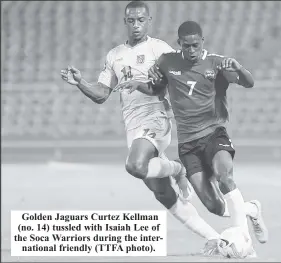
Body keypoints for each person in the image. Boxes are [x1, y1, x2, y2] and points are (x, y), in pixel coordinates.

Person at [60, 1, 236, 255]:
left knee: (135, 166)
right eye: (131, 20)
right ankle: (216, 238)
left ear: (149, 20)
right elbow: (101, 94)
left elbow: (173, 81)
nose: (136, 25)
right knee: (162, 193)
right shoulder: (115, 55)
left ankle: (178, 167)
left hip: (155, 117)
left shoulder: (159, 50)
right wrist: (80, 83)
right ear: (125, 22)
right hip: (133, 126)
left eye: (141, 20)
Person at [116, 20, 269, 257]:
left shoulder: (217, 63)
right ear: (179, 44)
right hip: (188, 144)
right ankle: (251, 208)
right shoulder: (167, 61)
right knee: (214, 206)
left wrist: (238, 67)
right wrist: (139, 84)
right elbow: (157, 89)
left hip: (214, 133)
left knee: (225, 176)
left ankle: (242, 240)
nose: (191, 50)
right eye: (186, 46)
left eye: (195, 45)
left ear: (202, 42)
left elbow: (249, 83)